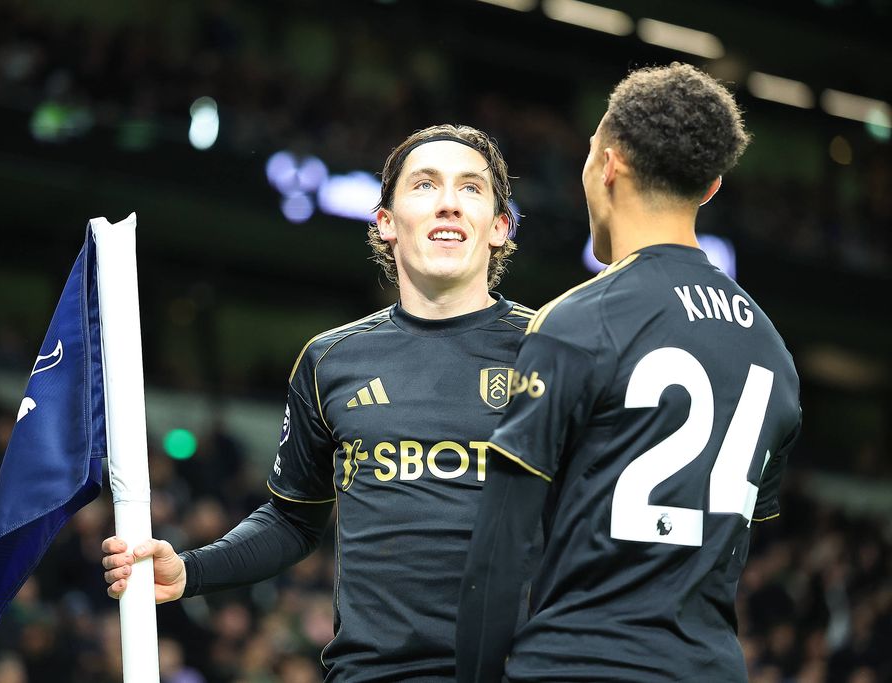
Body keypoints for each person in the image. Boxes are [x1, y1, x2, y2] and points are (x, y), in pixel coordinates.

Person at [101, 123, 536, 681]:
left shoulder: (554, 350)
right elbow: (292, 521)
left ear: (500, 226)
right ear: (385, 223)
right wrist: (190, 570)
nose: (449, 202)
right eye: (425, 184)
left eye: (471, 188)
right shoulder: (330, 361)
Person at [456, 63, 802, 683]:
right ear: (711, 186)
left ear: (608, 165)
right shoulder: (774, 353)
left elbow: (501, 549)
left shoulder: (576, 321)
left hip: (578, 663)